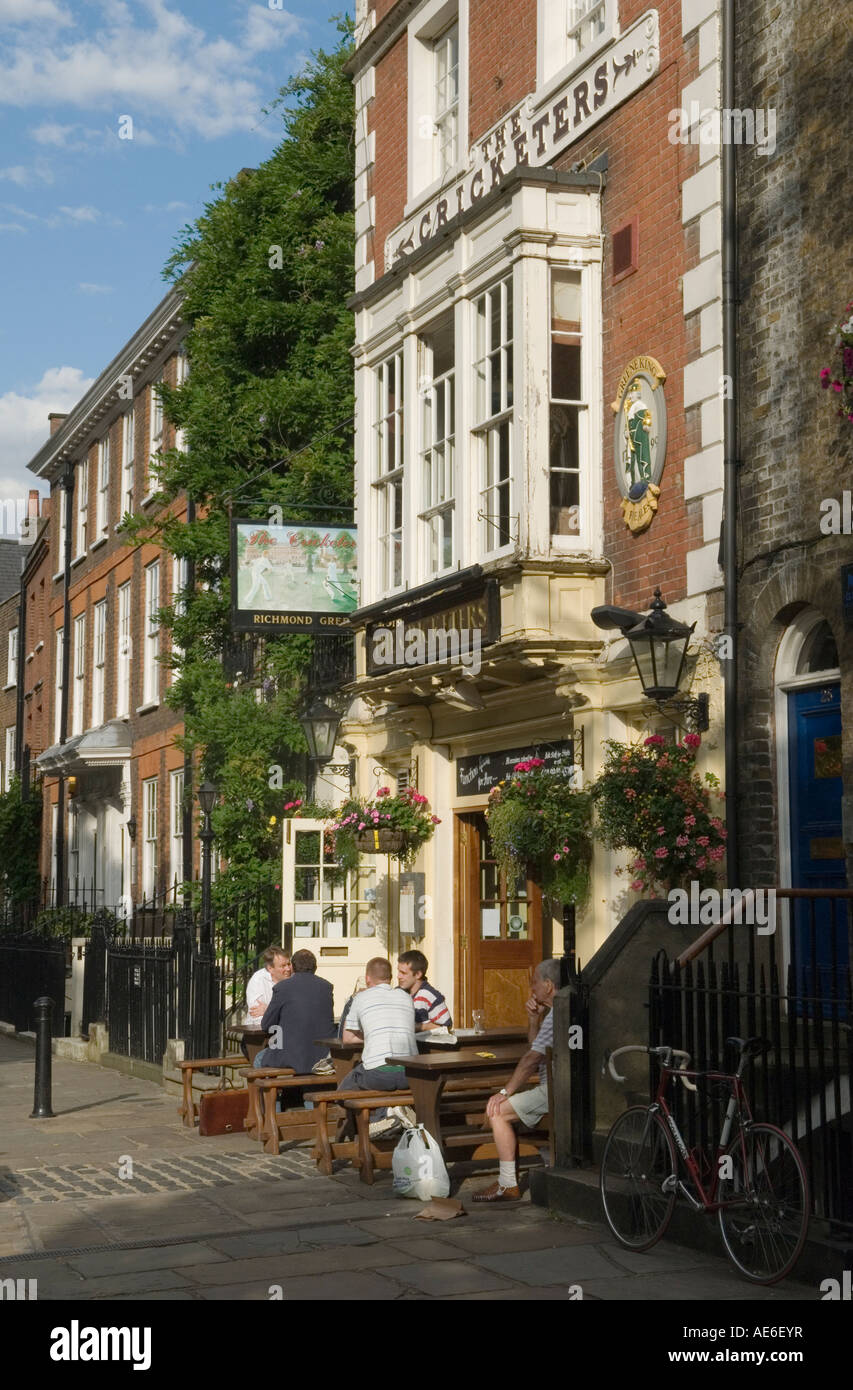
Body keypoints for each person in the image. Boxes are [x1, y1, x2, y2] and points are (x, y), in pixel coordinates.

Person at [472, 958, 560, 1204]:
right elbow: (537, 1047)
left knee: (497, 1110)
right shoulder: (558, 1011)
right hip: (560, 1087)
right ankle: (546, 1161)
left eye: (535, 983)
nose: (532, 989)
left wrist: (505, 1091)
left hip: (555, 1089)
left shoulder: (557, 1015)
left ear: (549, 985)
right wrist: (533, 1019)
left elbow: (532, 1058)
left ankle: (508, 1184)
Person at [339, 956, 416, 1133]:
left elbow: (347, 1038)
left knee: (345, 1088)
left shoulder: (361, 997)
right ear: (390, 977)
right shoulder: (406, 997)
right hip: (409, 1074)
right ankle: (392, 1110)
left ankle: (382, 1117)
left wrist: (371, 1036)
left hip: (378, 1073)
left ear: (367, 978)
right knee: (385, 1084)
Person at [255, 948, 335, 1076]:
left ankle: (269, 1096)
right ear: (315, 967)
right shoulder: (326, 987)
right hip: (323, 1056)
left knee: (259, 1058)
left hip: (293, 1054)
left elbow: (267, 1025)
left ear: (292, 967)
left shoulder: (282, 988)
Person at [240, 947, 291, 1060]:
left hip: (284, 1035)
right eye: (283, 966)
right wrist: (283, 1014)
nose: (288, 968)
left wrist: (269, 1010)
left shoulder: (293, 980)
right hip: (258, 1038)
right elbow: (257, 1017)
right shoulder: (258, 980)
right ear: (270, 968)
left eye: (289, 964)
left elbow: (297, 1013)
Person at [396, 950, 452, 1032]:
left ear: (418, 974)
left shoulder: (429, 995)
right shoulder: (397, 993)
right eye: (398, 971)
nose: (398, 976)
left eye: (403, 973)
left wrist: (418, 1027)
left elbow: (446, 1026)